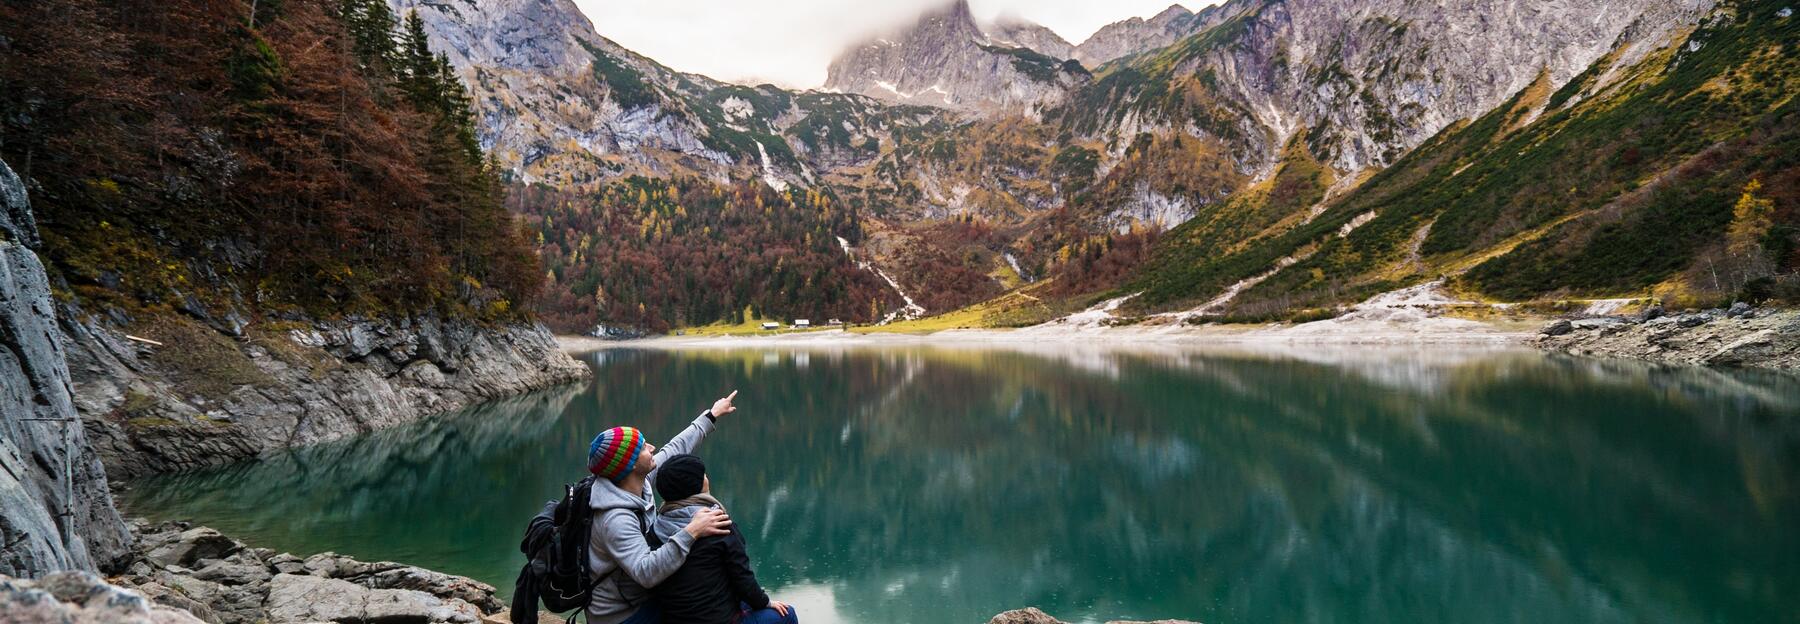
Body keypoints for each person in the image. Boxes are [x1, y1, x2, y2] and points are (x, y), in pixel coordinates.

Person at [585, 391, 742, 624]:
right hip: (623, 614)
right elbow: (646, 572)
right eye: (642, 447)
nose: (651, 447)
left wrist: (711, 415)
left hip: (643, 596)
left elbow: (675, 448)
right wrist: (692, 531)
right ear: (628, 466)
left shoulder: (638, 482)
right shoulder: (615, 519)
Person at [650, 454, 797, 624]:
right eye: (703, 475)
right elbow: (743, 579)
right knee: (787, 614)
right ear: (696, 485)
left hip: (676, 619)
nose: (707, 478)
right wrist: (766, 602)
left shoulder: (657, 527)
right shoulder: (718, 525)